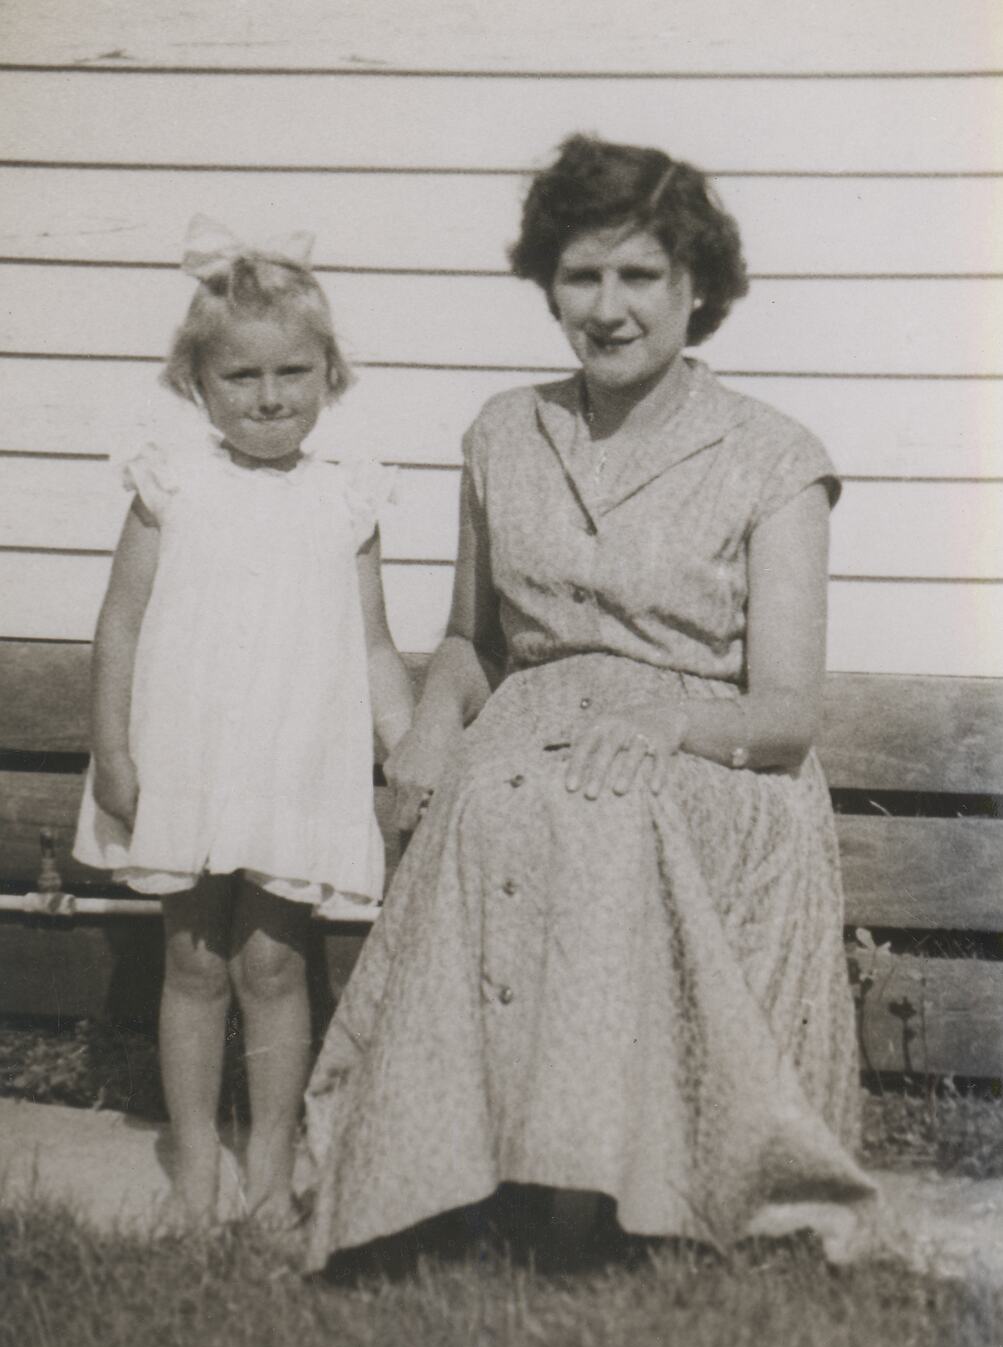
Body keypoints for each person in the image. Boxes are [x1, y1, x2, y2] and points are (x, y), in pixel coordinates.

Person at [303, 135, 874, 1269]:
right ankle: (437, 1178)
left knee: (599, 814)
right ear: (547, 283)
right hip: (534, 730)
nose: (607, 309)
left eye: (639, 275)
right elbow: (473, 638)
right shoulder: (504, 433)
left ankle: (589, 1210)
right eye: (580, 275)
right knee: (498, 803)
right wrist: (425, 725)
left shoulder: (772, 458)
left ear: (695, 285)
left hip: (714, 754)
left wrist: (663, 725)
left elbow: (785, 712)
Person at [73, 215, 414, 1227]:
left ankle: (269, 1164)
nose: (270, 399)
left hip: (291, 761)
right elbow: (120, 626)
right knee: (194, 958)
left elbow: (375, 647)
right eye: (242, 378)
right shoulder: (168, 487)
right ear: (198, 384)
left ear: (328, 377)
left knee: (272, 961)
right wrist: (113, 751)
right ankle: (194, 1163)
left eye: (293, 375)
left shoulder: (346, 498)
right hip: (188, 758)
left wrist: (405, 749)